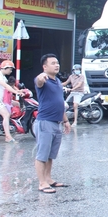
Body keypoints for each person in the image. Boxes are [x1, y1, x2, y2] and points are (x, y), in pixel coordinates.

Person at [34, 54, 71, 194]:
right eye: (53, 63)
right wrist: (41, 77)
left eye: (57, 63)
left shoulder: (57, 82)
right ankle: (42, 183)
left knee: (50, 155)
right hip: (45, 122)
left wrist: (66, 120)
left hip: (57, 123)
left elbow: (60, 103)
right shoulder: (43, 80)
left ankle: (48, 179)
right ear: (45, 67)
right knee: (42, 154)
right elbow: (38, 82)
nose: (57, 65)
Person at [0, 60, 23, 142]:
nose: (11, 71)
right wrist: (16, 92)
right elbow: (6, 86)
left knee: (17, 104)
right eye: (10, 69)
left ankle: (10, 126)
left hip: (2, 99)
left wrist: (19, 91)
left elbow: (12, 86)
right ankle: (8, 136)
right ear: (5, 68)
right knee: (6, 114)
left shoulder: (3, 77)